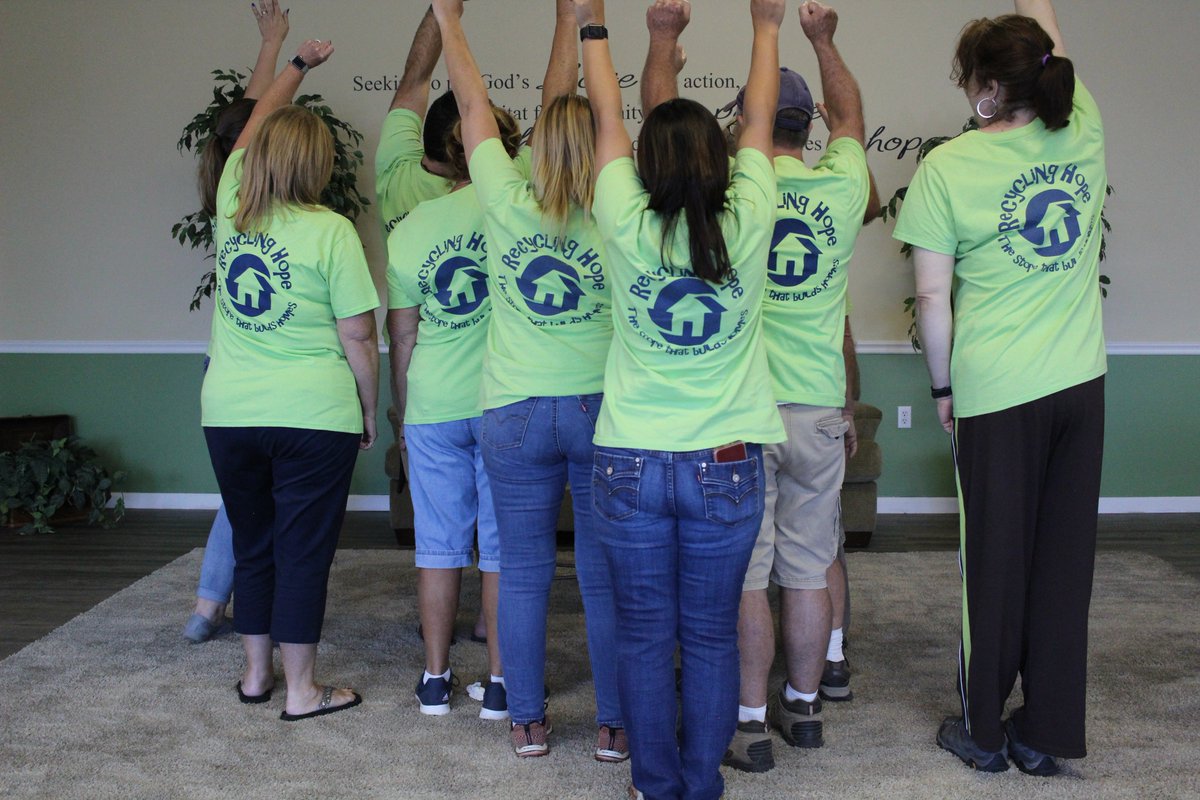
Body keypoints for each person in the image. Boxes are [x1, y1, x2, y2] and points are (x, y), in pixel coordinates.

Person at [894, 0, 1106, 775]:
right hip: (1081, 386)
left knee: (993, 562)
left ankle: (984, 730)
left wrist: (942, 388)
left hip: (997, 393)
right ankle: (1044, 733)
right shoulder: (1079, 123)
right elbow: (1050, 33)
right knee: (1061, 564)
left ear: (985, 87)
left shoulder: (949, 166)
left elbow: (930, 300)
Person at [579, 0, 785, 795]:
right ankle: (700, 787)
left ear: (645, 165)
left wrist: (591, 21)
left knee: (642, 636)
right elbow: (761, 111)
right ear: (723, 159)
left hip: (629, 460)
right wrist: (768, 27)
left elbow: (605, 110)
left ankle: (653, 786)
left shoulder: (622, 217)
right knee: (708, 638)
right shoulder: (754, 216)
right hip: (725, 465)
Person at [679, 0, 872, 769]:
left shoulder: (735, 200)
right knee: (808, 562)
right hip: (821, 407)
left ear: (745, 126)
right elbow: (853, 115)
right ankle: (807, 705)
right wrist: (825, 40)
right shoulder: (843, 187)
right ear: (809, 126)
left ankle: (751, 722)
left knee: (750, 577)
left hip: (747, 410)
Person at [430, 0, 624, 762]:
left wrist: (450, 21)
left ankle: (527, 723)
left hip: (511, 412)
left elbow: (474, 103)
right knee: (604, 578)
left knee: (522, 574)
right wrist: (583, 28)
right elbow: (581, 116)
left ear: (535, 145)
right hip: (601, 409)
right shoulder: (619, 209)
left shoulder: (504, 199)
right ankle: (613, 727)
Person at [202, 36, 380, 721]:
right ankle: (303, 691)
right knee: (302, 551)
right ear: (319, 163)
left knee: (254, 542)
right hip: (314, 415)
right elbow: (358, 334)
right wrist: (369, 409)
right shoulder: (331, 231)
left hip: (229, 412)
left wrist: (297, 66)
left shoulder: (230, 208)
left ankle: (255, 678)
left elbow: (248, 126)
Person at [386, 105, 523, 719]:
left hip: (434, 402)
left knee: (437, 547)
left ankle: (435, 680)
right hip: (503, 398)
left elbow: (404, 334)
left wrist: (402, 413)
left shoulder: (412, 226)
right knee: (499, 550)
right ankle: (499, 684)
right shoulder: (519, 206)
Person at [184, 0, 291, 645]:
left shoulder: (227, 185)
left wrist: (271, 46)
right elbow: (261, 117)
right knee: (267, 499)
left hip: (224, 365)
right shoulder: (249, 185)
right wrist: (285, 53)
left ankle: (207, 604)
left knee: (244, 494)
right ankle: (216, 602)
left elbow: (249, 116)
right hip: (270, 363)